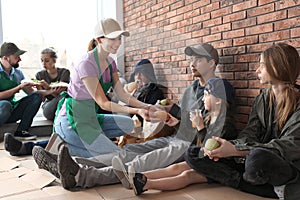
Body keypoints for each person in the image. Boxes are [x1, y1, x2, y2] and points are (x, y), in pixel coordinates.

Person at [32, 43, 236, 190]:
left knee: (139, 162)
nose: (192, 64)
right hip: (175, 138)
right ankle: (65, 162)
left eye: (198, 60)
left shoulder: (220, 90)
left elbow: (217, 131)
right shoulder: (192, 89)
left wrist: (190, 124)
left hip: (190, 146)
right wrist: (172, 119)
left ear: (211, 63)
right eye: (191, 59)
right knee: (127, 152)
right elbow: (185, 120)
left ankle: (81, 176)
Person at [129, 43, 300, 200]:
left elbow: (288, 146)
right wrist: (228, 146)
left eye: (262, 65)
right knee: (193, 154)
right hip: (236, 153)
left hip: (280, 163)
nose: (257, 70)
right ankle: (249, 182)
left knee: (256, 159)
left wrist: (236, 150)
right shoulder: (263, 98)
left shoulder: (221, 91)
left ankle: (266, 187)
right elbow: (250, 132)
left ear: (277, 67)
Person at [52, 18, 153, 158]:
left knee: (128, 124)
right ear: (99, 40)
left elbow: (123, 95)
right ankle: (61, 148)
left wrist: (147, 107)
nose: (118, 43)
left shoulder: (111, 63)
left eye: (119, 38)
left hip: (91, 117)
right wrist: (137, 110)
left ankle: (87, 144)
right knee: (116, 155)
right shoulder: (86, 64)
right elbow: (103, 103)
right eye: (113, 39)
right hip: (72, 120)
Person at [119, 77, 237, 195]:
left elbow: (210, 149)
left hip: (219, 168)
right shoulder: (208, 117)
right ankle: (135, 177)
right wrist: (177, 124)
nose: (203, 100)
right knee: (175, 168)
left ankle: (146, 184)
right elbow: (197, 140)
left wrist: (200, 127)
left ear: (218, 100)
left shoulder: (226, 124)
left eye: (206, 95)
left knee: (187, 175)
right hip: (202, 160)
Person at [0, 42, 43, 140]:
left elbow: (31, 93)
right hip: (2, 109)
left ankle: (21, 131)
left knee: (36, 96)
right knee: (5, 104)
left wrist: (48, 90)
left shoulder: (18, 73)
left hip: (10, 111)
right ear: (6, 58)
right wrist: (19, 87)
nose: (20, 59)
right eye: (16, 56)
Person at [36, 47, 70, 120]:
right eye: (41, 61)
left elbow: (61, 94)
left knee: (64, 98)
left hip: (64, 103)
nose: (43, 63)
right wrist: (51, 91)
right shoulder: (39, 75)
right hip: (49, 106)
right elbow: (41, 97)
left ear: (54, 60)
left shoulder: (64, 72)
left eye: (47, 60)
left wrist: (47, 88)